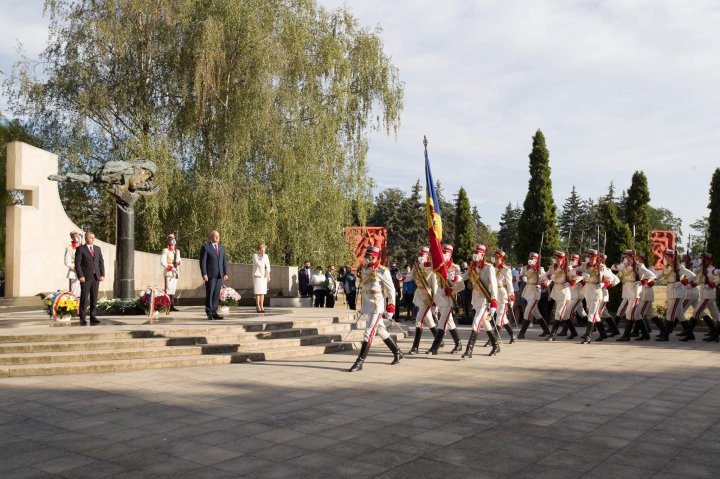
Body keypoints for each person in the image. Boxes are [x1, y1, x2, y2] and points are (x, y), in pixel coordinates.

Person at [348, 246, 402, 372]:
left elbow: (391, 290)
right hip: (369, 304)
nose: (365, 258)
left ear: (374, 257)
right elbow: (365, 289)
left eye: (368, 256)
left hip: (377, 305)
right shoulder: (365, 269)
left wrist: (391, 308)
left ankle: (360, 361)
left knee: (368, 332)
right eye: (365, 256)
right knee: (382, 331)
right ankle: (397, 352)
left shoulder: (382, 271)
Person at [398, 247, 441, 354]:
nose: (420, 257)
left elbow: (435, 285)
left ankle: (415, 347)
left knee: (418, 319)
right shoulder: (416, 266)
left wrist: (435, 302)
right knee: (430, 321)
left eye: (423, 255)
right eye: (419, 255)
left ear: (427, 256)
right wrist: (402, 277)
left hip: (428, 296)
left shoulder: (432, 267)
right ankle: (438, 339)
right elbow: (411, 276)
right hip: (419, 294)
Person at [461, 245, 500, 358]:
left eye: (477, 252)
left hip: (485, 300)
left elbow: (494, 285)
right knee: (485, 323)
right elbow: (464, 276)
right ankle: (496, 345)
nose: (475, 254)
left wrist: (494, 302)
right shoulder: (473, 267)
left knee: (476, 321)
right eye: (474, 252)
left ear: (482, 255)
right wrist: (455, 277)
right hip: (476, 299)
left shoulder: (489, 268)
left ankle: (469, 350)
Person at [426, 244, 464, 355]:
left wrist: (451, 289)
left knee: (442, 323)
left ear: (450, 254)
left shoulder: (455, 267)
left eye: (445, 252)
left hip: (448, 299)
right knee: (450, 322)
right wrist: (432, 256)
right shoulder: (439, 266)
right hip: (439, 297)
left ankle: (434, 348)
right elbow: (431, 268)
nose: (443, 254)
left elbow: (461, 286)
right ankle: (458, 343)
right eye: (442, 252)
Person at [573, 249, 614, 344]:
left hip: (597, 293)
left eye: (592, 257)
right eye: (589, 257)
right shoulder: (584, 266)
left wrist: (604, 284)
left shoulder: (601, 267)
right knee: (595, 316)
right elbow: (571, 272)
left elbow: (611, 278)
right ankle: (603, 333)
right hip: (587, 292)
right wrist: (581, 274)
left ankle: (588, 337)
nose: (590, 259)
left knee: (591, 315)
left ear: (596, 258)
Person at [656, 249, 696, 340]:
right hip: (671, 292)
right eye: (665, 257)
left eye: (667, 257)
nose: (666, 258)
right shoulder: (666, 267)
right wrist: (649, 279)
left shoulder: (679, 267)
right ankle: (690, 334)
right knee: (680, 315)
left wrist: (682, 282)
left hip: (677, 293)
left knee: (670, 313)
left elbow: (693, 275)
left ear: (672, 257)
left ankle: (665, 335)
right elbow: (659, 276)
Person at [517, 252, 551, 339]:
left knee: (527, 311)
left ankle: (522, 333)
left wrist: (543, 285)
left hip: (535, 292)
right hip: (527, 291)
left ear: (536, 260)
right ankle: (546, 330)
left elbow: (547, 279)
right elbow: (518, 277)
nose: (530, 259)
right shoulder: (525, 268)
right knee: (536, 313)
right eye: (530, 257)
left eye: (532, 258)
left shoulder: (539, 269)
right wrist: (521, 278)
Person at [74, 231, 105, 326]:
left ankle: (93, 316)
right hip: (86, 278)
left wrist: (102, 274)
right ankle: (82, 317)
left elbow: (101, 262)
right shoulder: (80, 249)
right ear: (86, 238)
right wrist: (80, 276)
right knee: (84, 298)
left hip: (96, 277)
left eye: (94, 237)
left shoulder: (97, 249)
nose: (93, 239)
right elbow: (77, 264)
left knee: (94, 298)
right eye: (91, 237)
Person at [545, 251, 575, 341]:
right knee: (565, 315)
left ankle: (552, 335)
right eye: (556, 258)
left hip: (564, 292)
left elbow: (578, 276)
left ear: (562, 259)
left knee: (558, 313)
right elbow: (545, 276)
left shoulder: (567, 268)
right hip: (556, 291)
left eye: (558, 258)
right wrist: (550, 277)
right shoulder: (553, 267)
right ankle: (573, 332)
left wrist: (570, 283)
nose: (556, 260)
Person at [199, 230, 229, 320]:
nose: (217, 237)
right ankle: (209, 313)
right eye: (215, 236)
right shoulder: (206, 247)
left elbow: (224, 261)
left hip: (219, 275)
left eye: (218, 236)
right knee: (210, 294)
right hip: (210, 275)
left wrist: (225, 272)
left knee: (216, 294)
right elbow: (202, 262)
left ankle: (214, 312)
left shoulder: (221, 248)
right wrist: (204, 274)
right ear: (211, 237)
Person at [160, 233, 181, 312]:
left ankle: (171, 305)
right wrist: (170, 267)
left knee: (173, 289)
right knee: (168, 289)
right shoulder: (165, 251)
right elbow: (162, 262)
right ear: (168, 240)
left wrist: (178, 263)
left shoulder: (177, 251)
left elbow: (179, 260)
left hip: (175, 272)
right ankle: (167, 305)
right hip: (169, 272)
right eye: (171, 238)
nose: (173, 240)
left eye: (174, 238)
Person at [252, 243, 271, 313]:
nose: (263, 251)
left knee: (263, 292)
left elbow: (268, 266)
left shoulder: (266, 256)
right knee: (258, 292)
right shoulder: (255, 256)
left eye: (264, 250)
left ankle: (262, 306)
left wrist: (268, 275)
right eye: (261, 250)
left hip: (264, 276)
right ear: (258, 249)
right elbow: (258, 264)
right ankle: (258, 306)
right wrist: (262, 257)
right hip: (257, 275)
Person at [64, 230, 83, 296]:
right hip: (74, 272)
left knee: (83, 291)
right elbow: (67, 262)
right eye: (75, 236)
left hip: (84, 272)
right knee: (74, 292)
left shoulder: (84, 247)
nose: (77, 237)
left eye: (78, 236)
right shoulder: (69, 248)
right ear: (72, 238)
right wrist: (76, 267)